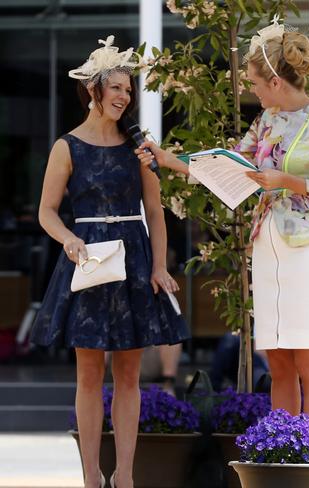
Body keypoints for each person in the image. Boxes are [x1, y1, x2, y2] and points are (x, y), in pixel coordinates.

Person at [135, 17, 309, 428]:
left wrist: (287, 181)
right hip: (267, 248)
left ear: (274, 80)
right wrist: (169, 159)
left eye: (253, 81)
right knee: (278, 357)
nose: (250, 89)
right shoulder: (267, 121)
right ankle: (282, 448)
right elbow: (229, 166)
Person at [30, 35, 189, 488]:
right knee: (88, 374)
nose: (125, 96)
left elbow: (156, 213)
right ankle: (89, 477)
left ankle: (126, 476)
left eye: (128, 89)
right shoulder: (67, 147)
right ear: (94, 91)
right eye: (116, 87)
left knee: (129, 376)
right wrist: (67, 239)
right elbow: (45, 211)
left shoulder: (139, 145)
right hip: (88, 261)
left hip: (134, 259)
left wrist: (159, 266)